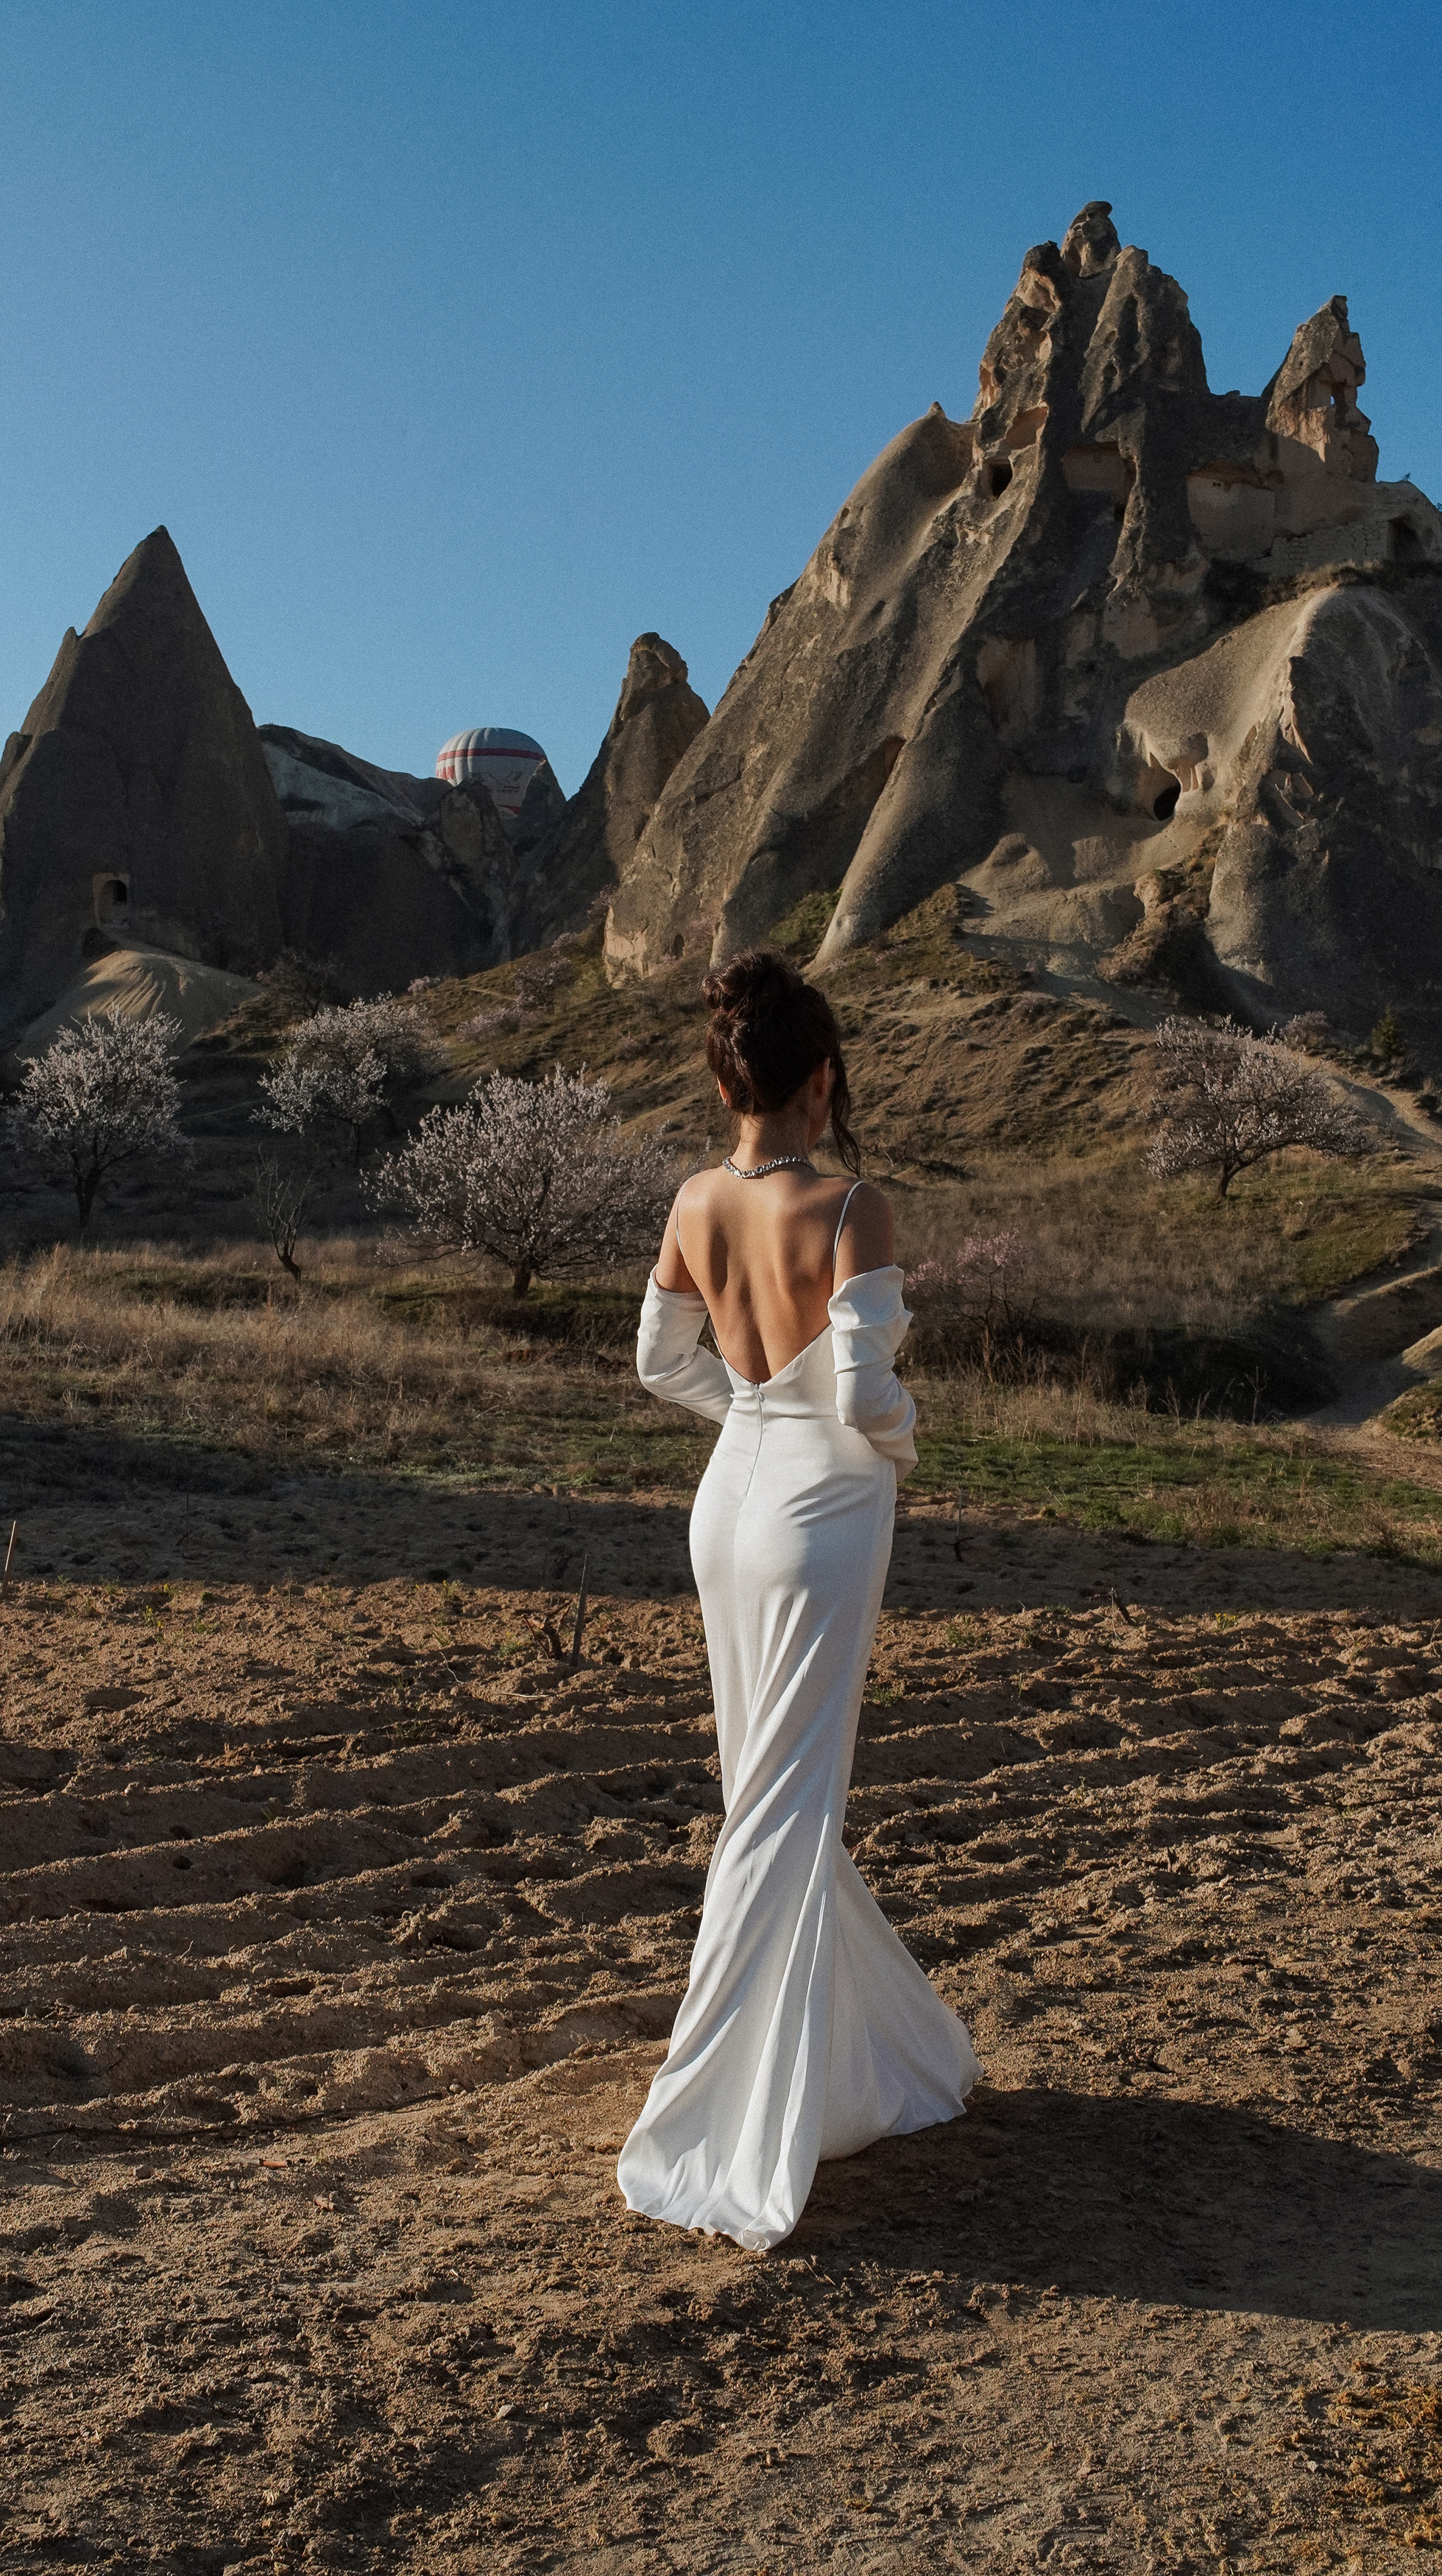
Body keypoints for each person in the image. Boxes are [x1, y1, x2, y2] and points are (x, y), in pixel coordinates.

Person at [616, 949, 978, 2251]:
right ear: (821, 1078)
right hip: (822, 1509)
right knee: (783, 1802)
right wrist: (905, 1437)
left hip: (727, 1505)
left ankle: (847, 2062)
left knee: (763, 1795)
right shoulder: (853, 1206)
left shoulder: (694, 1198)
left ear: (733, 1081)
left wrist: (748, 1411)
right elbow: (866, 1398)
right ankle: (708, 2121)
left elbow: (659, 1362)